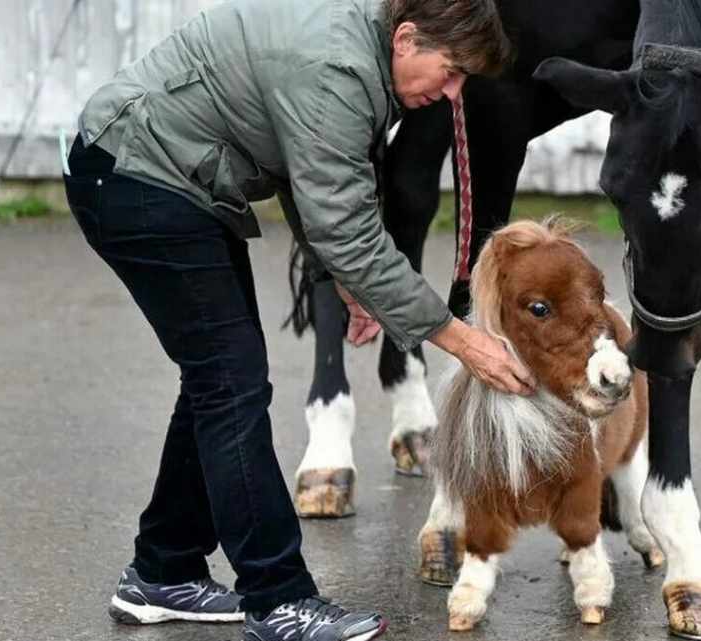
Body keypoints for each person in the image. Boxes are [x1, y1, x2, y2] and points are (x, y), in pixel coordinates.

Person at [62, 1, 530, 639]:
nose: (453, 93)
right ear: (407, 37)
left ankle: (163, 570)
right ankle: (277, 597)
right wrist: (463, 341)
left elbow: (313, 178)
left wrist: (350, 284)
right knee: (230, 384)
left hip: (163, 178)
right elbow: (345, 226)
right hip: (137, 177)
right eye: (450, 71)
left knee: (218, 381)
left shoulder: (358, 55)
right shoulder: (338, 69)